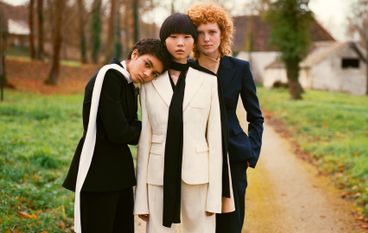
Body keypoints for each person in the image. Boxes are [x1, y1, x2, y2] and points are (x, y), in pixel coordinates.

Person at [62, 38, 170, 233]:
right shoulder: (110, 76)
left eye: (155, 73)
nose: (148, 74)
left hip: (119, 172)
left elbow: (130, 125)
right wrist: (153, 130)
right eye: (147, 64)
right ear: (134, 54)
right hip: (98, 172)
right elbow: (119, 132)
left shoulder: (128, 83)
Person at [134, 13, 224, 233]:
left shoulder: (209, 81)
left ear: (194, 41)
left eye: (187, 37)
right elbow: (145, 139)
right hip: (157, 175)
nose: (180, 43)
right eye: (173, 37)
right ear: (164, 40)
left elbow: (214, 138)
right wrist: (141, 200)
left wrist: (215, 197)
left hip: (198, 174)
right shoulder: (149, 83)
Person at [188, 3, 264, 233]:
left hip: (234, 156)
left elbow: (256, 116)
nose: (206, 39)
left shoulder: (239, 68)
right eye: (200, 33)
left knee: (231, 223)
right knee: (201, 222)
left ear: (223, 34)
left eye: (212, 32)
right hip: (197, 156)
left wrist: (252, 150)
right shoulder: (185, 71)